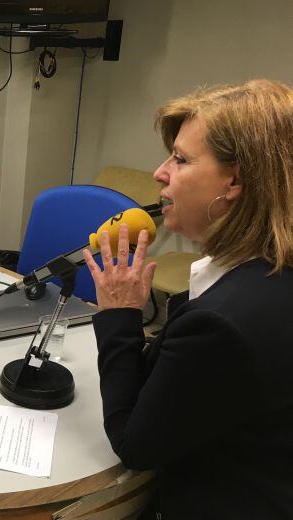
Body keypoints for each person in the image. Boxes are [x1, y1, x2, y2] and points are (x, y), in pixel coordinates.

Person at [82, 79, 293, 518]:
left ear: (234, 181)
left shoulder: (225, 320)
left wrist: (121, 315)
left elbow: (136, 444)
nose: (160, 172)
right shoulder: (270, 275)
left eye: (179, 159)